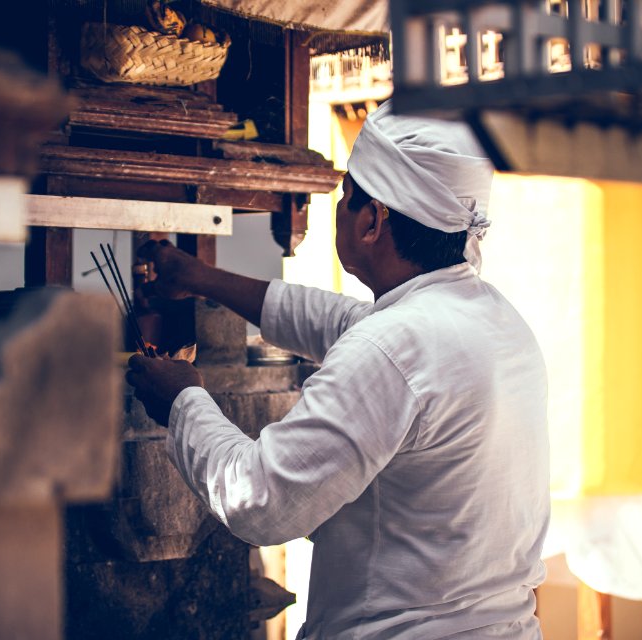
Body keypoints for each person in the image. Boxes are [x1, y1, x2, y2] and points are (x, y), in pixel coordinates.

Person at [126, 100, 550, 639]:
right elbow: (336, 321)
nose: (339, 208)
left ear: (373, 221)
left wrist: (184, 402)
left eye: (346, 197)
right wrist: (199, 277)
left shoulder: (393, 345)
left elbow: (260, 501)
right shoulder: (491, 320)